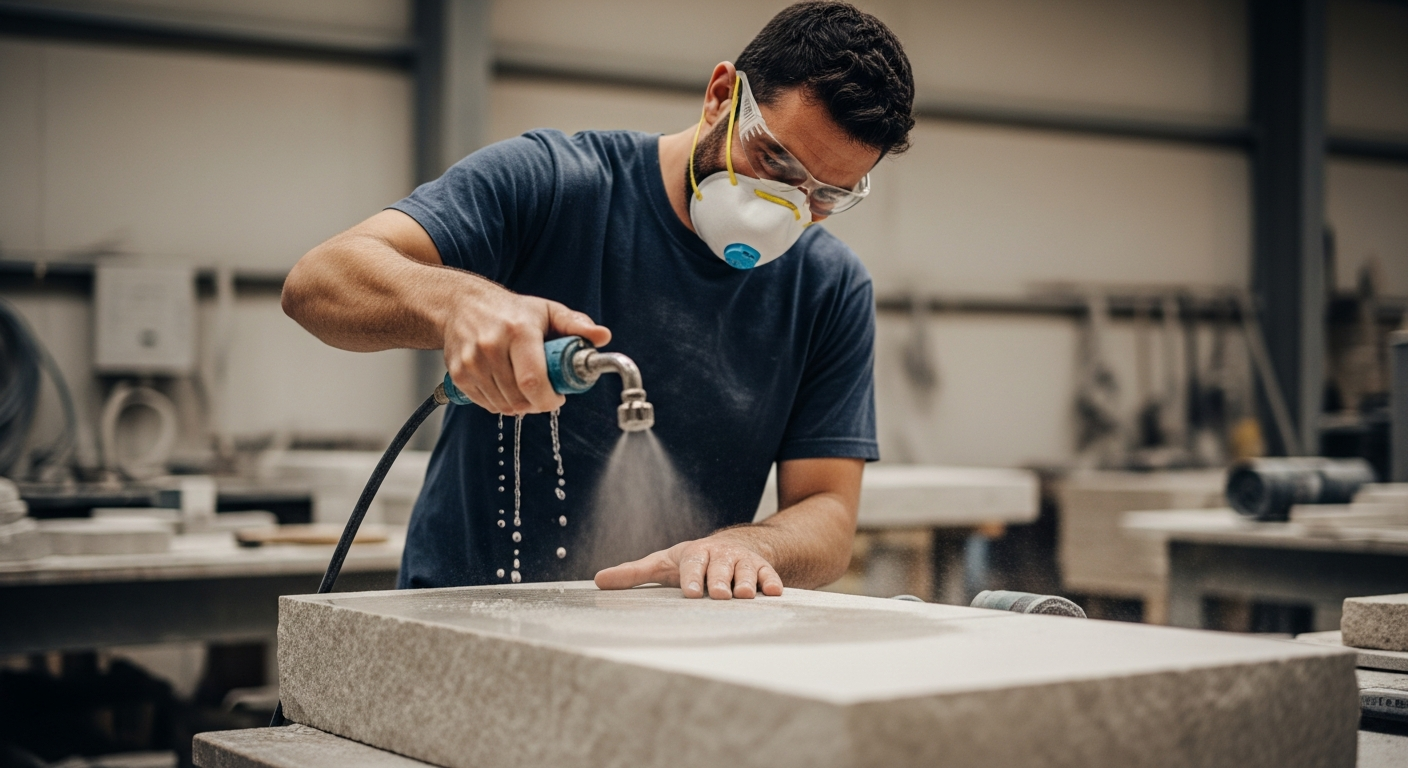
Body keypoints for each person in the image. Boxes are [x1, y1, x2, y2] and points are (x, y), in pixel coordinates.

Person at [281, 1, 915, 600]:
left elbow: (829, 513)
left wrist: (747, 547)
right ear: (722, 96)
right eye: (773, 159)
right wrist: (458, 304)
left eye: (824, 195)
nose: (786, 207)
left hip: (653, 655)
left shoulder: (829, 286)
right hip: (457, 629)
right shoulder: (556, 183)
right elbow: (319, 281)